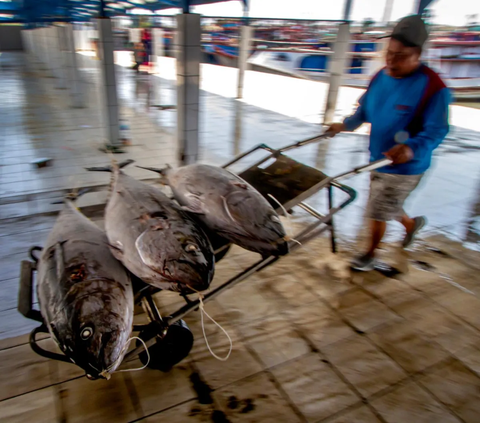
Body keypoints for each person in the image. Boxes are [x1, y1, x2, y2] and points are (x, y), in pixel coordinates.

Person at [327, 15, 451, 271]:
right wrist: (346, 124)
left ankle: (369, 255)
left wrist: (411, 147)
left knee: (377, 209)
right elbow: (364, 109)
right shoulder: (380, 77)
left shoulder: (433, 87)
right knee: (387, 205)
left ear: (418, 55)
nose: (392, 61)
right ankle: (410, 224)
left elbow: (437, 130)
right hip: (379, 158)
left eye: (401, 56)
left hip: (406, 166)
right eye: (390, 53)